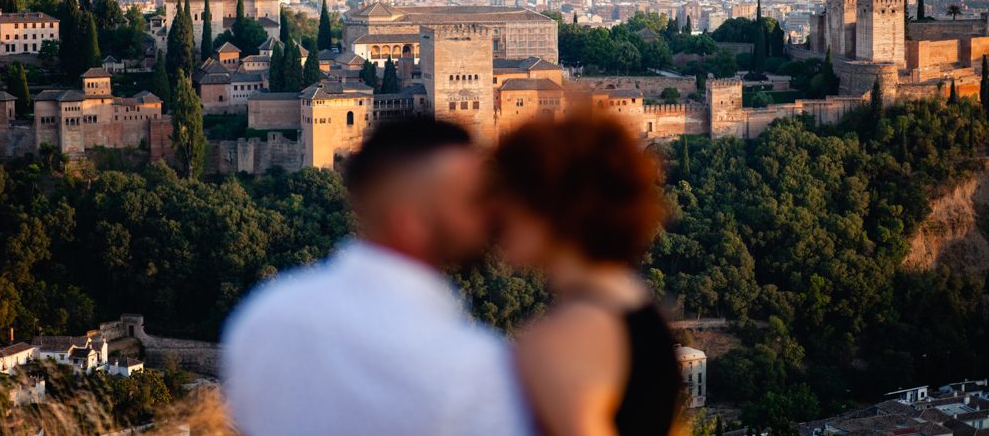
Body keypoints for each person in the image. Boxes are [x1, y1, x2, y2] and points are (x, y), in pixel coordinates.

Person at [223, 117, 532, 436]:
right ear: (410, 223)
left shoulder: (266, 316)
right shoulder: (471, 365)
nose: (490, 212)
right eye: (472, 200)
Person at [489, 115, 682, 436]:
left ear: (552, 207)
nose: (495, 213)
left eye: (508, 194)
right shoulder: (636, 305)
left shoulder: (567, 338)